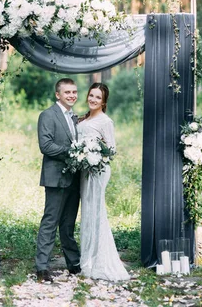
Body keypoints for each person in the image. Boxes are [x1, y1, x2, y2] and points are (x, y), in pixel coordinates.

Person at [78, 82, 130, 281]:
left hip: (97, 171)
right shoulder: (84, 118)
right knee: (87, 213)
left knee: (96, 212)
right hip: (84, 171)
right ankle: (87, 257)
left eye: (98, 97)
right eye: (91, 95)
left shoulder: (105, 121)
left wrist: (94, 153)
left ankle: (99, 261)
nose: (93, 99)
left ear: (104, 101)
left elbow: (112, 150)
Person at [35, 78, 81, 282]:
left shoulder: (74, 117)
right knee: (50, 222)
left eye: (74, 92)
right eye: (67, 92)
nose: (72, 95)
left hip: (75, 178)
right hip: (56, 178)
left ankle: (74, 264)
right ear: (58, 95)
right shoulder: (47, 115)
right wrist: (72, 152)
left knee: (68, 224)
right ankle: (42, 267)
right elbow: (45, 146)